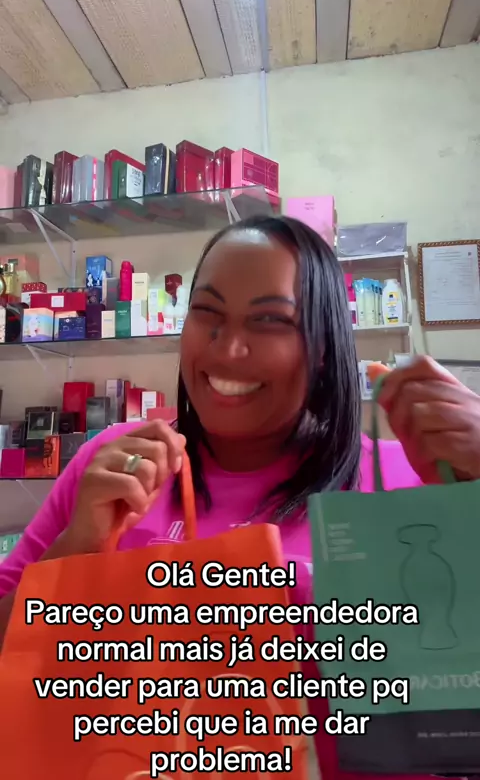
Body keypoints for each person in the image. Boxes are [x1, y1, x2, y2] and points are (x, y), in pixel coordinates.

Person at [1, 215, 479, 780]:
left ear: (324, 348)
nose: (228, 349)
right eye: (208, 312)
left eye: (270, 320)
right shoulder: (113, 465)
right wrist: (77, 547)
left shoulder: (404, 480)